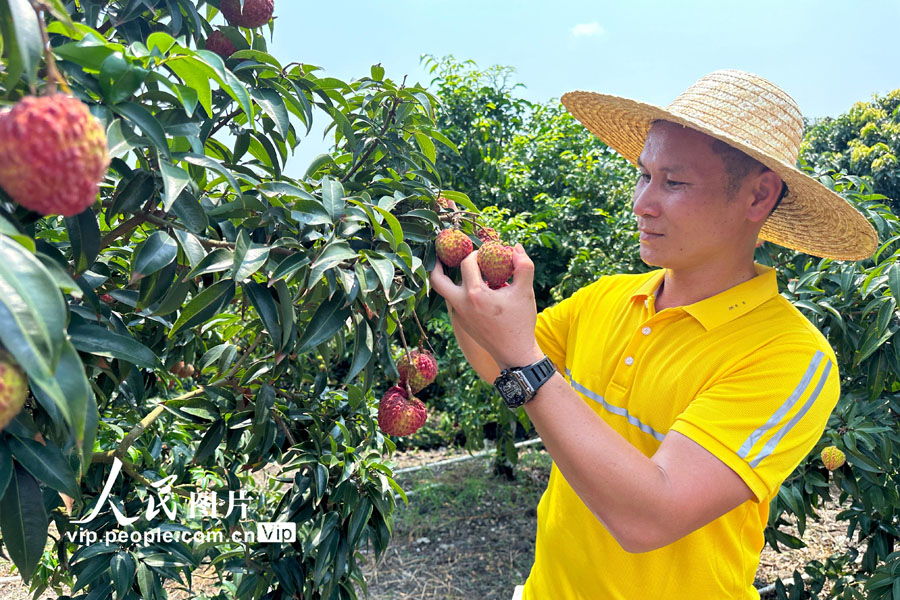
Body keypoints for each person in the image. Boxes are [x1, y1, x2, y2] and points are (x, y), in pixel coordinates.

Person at [429, 70, 878, 599]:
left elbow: (650, 517)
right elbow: (493, 361)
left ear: (758, 197)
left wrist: (523, 357)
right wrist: (466, 275)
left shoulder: (790, 355)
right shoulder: (608, 296)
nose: (642, 202)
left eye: (674, 182)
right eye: (643, 175)